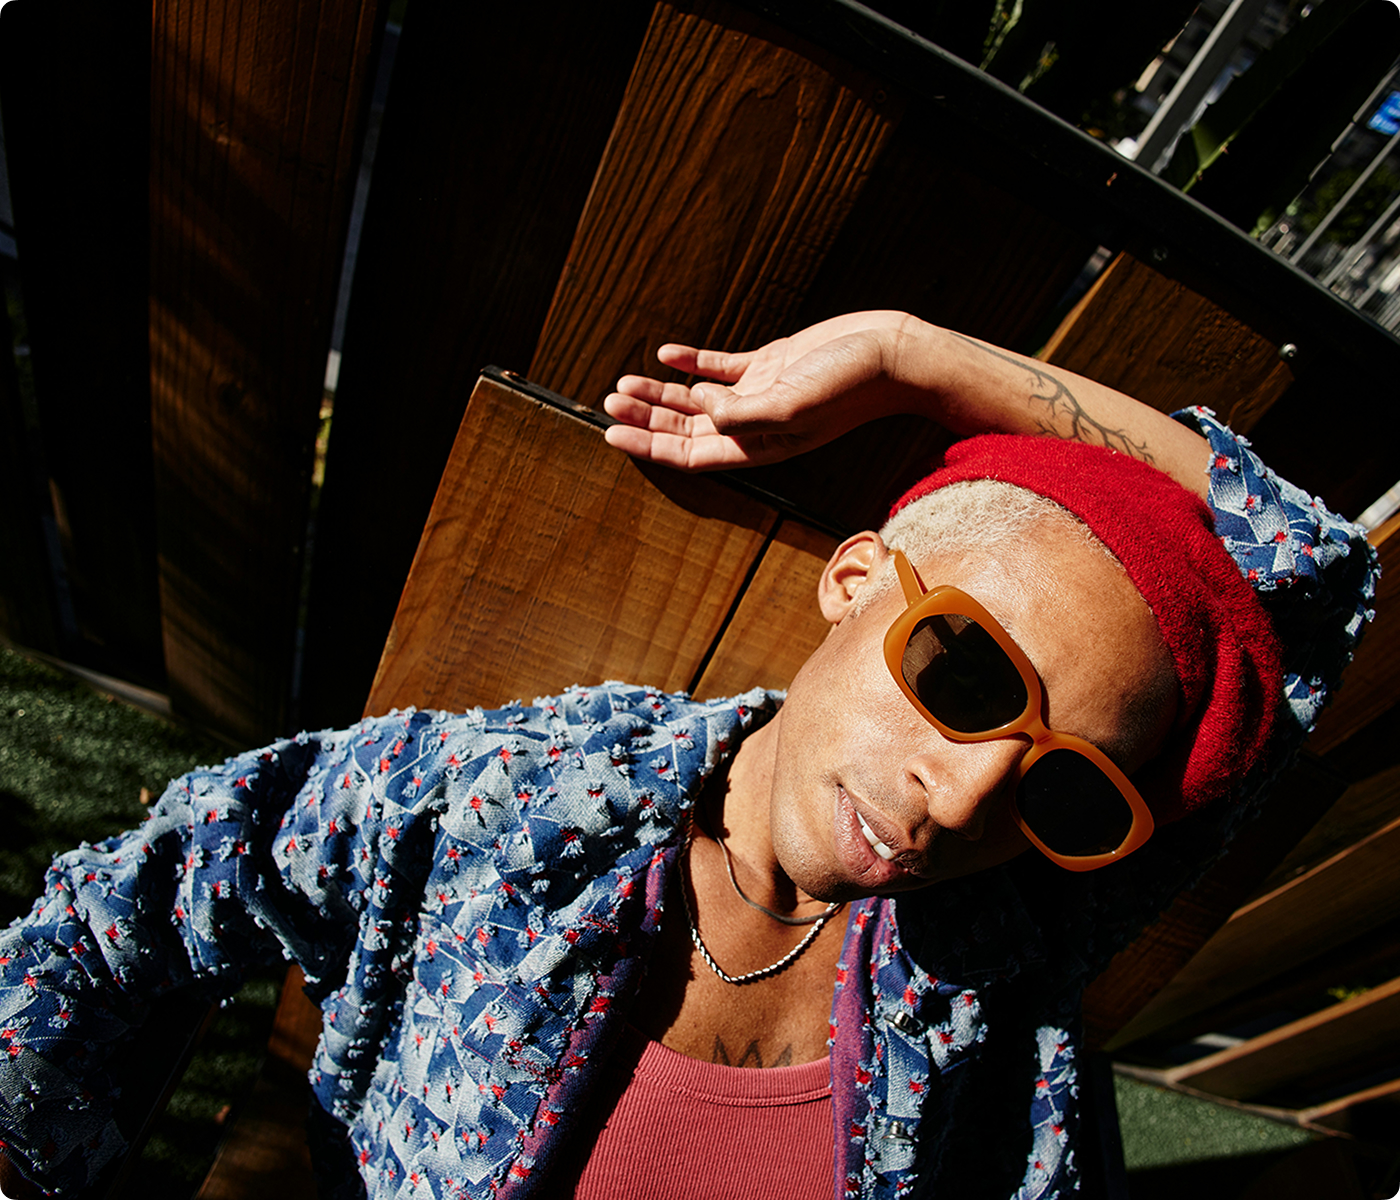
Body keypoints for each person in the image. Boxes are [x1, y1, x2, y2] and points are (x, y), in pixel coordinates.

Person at [0, 312, 1377, 1199]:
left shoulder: (1010, 937)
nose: (965, 799)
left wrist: (919, 355)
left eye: (1064, 785)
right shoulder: (497, 807)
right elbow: (109, 925)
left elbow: (1306, 572)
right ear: (854, 582)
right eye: (966, 676)